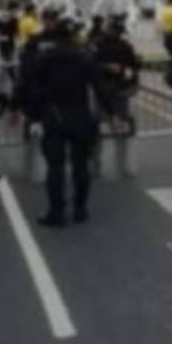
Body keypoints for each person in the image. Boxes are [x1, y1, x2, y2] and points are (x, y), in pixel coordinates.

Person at [32, 18, 107, 226]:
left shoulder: (45, 57)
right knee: (80, 164)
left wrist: (34, 115)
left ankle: (56, 213)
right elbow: (99, 87)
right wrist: (111, 113)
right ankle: (80, 209)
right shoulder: (85, 57)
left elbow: (34, 89)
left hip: (54, 115)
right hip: (80, 115)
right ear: (74, 35)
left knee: (55, 165)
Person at [91, 15, 141, 134]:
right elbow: (90, 65)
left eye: (119, 31)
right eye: (115, 30)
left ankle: (120, 129)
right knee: (100, 120)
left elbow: (133, 65)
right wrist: (107, 67)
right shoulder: (97, 45)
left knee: (122, 119)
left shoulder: (125, 46)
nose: (117, 33)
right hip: (102, 87)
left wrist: (125, 71)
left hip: (120, 86)